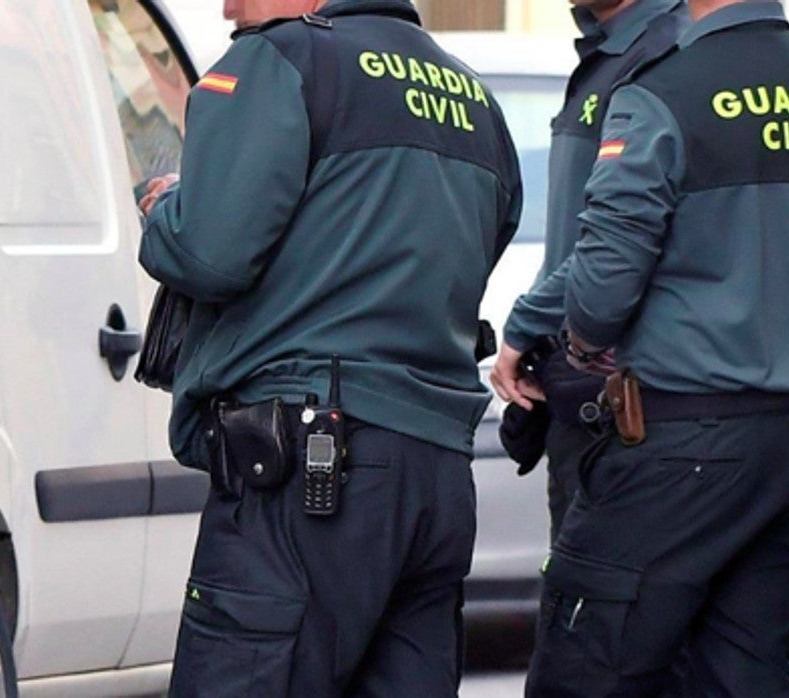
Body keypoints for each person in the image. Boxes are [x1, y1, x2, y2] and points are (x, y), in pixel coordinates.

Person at [138, 0, 521, 694]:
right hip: (433, 472)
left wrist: (167, 208)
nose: (229, 9)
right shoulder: (473, 97)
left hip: (311, 471)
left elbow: (211, 253)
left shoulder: (283, 60)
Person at [524, 0, 789, 694]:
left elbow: (600, 290)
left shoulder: (663, 92)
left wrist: (578, 345)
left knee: (586, 670)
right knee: (743, 676)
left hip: (684, 444)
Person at [489, 0, 688, 541]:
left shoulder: (664, 53)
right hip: (585, 389)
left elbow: (619, 244)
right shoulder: (608, 54)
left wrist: (528, 321)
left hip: (630, 399)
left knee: (607, 611)